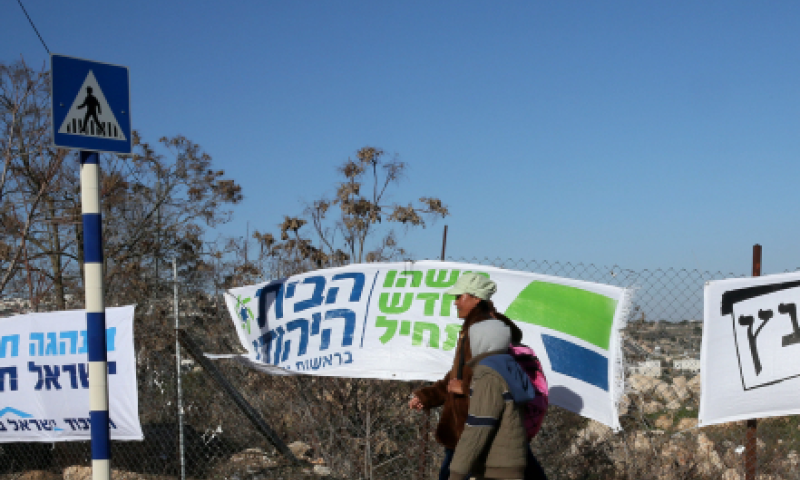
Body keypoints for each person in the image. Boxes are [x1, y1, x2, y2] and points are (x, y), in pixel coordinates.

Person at [408, 273, 524, 480]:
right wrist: (428, 396)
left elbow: (490, 376)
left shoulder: (480, 329)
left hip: (471, 425)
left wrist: (466, 387)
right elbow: (456, 377)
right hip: (470, 424)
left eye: (459, 296)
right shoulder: (475, 326)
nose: (455, 302)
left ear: (476, 298)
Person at [448, 319, 533, 480]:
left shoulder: (487, 375)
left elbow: (479, 425)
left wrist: (456, 473)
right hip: (510, 463)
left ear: (481, 342)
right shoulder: (509, 368)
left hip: (493, 468)